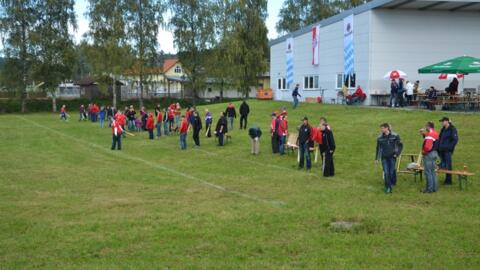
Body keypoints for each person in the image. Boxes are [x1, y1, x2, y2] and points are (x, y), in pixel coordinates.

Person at [375, 123, 402, 194]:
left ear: (387, 128)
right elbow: (378, 148)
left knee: (391, 172)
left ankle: (392, 182)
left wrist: (397, 154)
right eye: (381, 128)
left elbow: (400, 146)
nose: (381, 130)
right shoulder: (380, 138)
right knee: (386, 172)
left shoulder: (395, 136)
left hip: (392, 157)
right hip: (384, 158)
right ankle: (388, 187)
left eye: (382, 128)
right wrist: (377, 159)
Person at [438, 117, 458, 185]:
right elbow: (439, 138)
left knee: (448, 165)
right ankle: (446, 179)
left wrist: (449, 148)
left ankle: (449, 181)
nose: (442, 123)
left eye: (443, 121)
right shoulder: (443, 129)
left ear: (447, 121)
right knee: (443, 164)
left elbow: (455, 140)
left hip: (447, 151)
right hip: (441, 150)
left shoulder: (452, 129)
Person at [421, 122, 439, 193]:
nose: (425, 128)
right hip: (435, 153)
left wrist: (424, 152)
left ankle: (429, 189)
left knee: (428, 172)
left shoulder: (430, 135)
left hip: (429, 154)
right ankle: (435, 188)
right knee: (433, 172)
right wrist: (423, 134)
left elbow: (427, 147)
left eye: (426, 127)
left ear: (428, 127)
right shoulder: (435, 133)